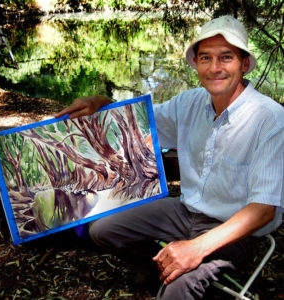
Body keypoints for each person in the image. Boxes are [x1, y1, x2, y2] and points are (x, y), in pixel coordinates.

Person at [55, 15, 284, 299]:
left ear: (244, 64)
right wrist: (101, 103)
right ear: (196, 64)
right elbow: (137, 123)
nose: (214, 68)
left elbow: (264, 210)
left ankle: (178, 278)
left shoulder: (270, 119)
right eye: (205, 58)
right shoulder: (188, 103)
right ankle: (156, 269)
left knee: (178, 288)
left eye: (226, 57)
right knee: (103, 229)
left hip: (235, 230)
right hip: (185, 211)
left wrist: (196, 248)